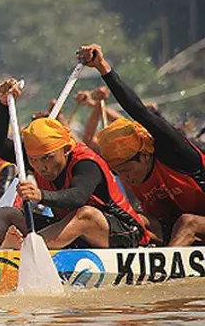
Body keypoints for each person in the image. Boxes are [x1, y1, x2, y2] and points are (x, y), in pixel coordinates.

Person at [0, 78, 148, 252]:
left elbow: (78, 198)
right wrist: (4, 104)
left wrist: (40, 195)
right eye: (35, 160)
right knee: (5, 213)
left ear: (65, 150)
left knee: (86, 214)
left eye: (48, 158)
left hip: (123, 234)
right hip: (71, 233)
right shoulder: (34, 156)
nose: (41, 167)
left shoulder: (86, 163)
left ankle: (26, 248)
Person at [83, 43, 205, 246]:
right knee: (135, 221)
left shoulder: (174, 151)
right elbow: (88, 142)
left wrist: (102, 67)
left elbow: (138, 111)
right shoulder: (129, 168)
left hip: (193, 224)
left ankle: (167, 274)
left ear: (144, 155)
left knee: (187, 222)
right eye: (118, 172)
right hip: (176, 231)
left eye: (126, 169)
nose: (125, 177)